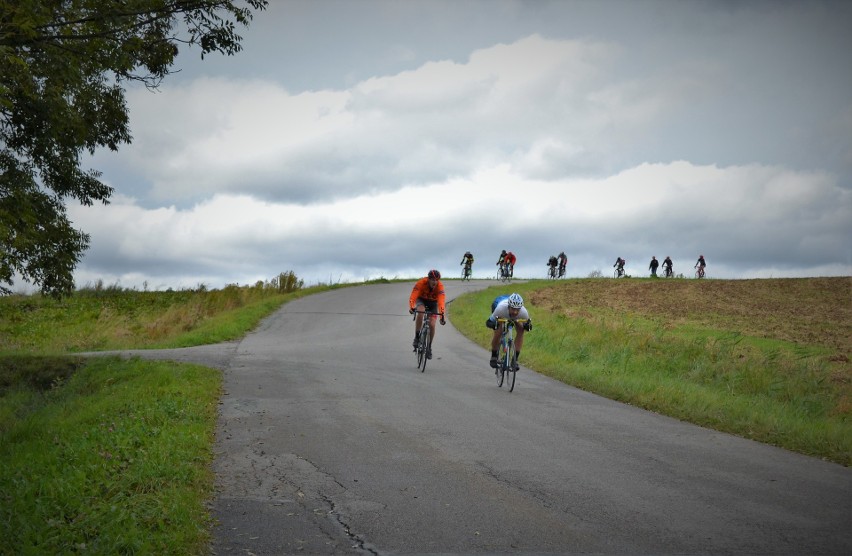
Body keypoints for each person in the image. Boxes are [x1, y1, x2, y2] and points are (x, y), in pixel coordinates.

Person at [485, 293, 532, 370]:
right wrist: (494, 325)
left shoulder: (523, 312)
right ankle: (494, 356)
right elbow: (488, 322)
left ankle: (515, 360)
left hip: (511, 315)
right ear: (509, 306)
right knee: (499, 330)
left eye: (518, 309)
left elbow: (528, 327)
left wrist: (527, 326)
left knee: (521, 330)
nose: (515, 312)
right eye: (513, 309)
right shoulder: (501, 309)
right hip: (499, 303)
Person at [408, 270, 446, 359]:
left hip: (433, 303)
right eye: (433, 280)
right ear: (428, 279)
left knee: (432, 324)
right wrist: (412, 307)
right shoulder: (421, 283)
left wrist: (442, 316)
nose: (435, 282)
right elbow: (413, 296)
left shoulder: (440, 286)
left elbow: (441, 302)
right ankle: (417, 337)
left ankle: (429, 347)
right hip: (421, 300)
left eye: (437, 280)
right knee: (421, 312)